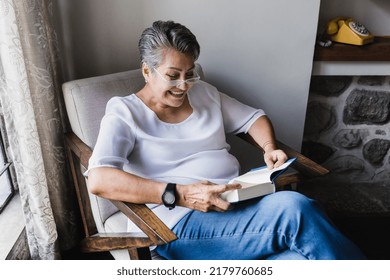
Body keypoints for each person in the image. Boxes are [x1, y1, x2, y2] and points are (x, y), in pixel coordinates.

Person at [86, 20, 365, 260]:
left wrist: (269, 148)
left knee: (297, 259)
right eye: (173, 76)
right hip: (180, 223)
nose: (183, 86)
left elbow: (254, 118)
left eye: (189, 73)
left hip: (238, 202)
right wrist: (182, 194)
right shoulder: (125, 112)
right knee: (295, 208)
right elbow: (99, 180)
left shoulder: (204, 93)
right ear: (147, 71)